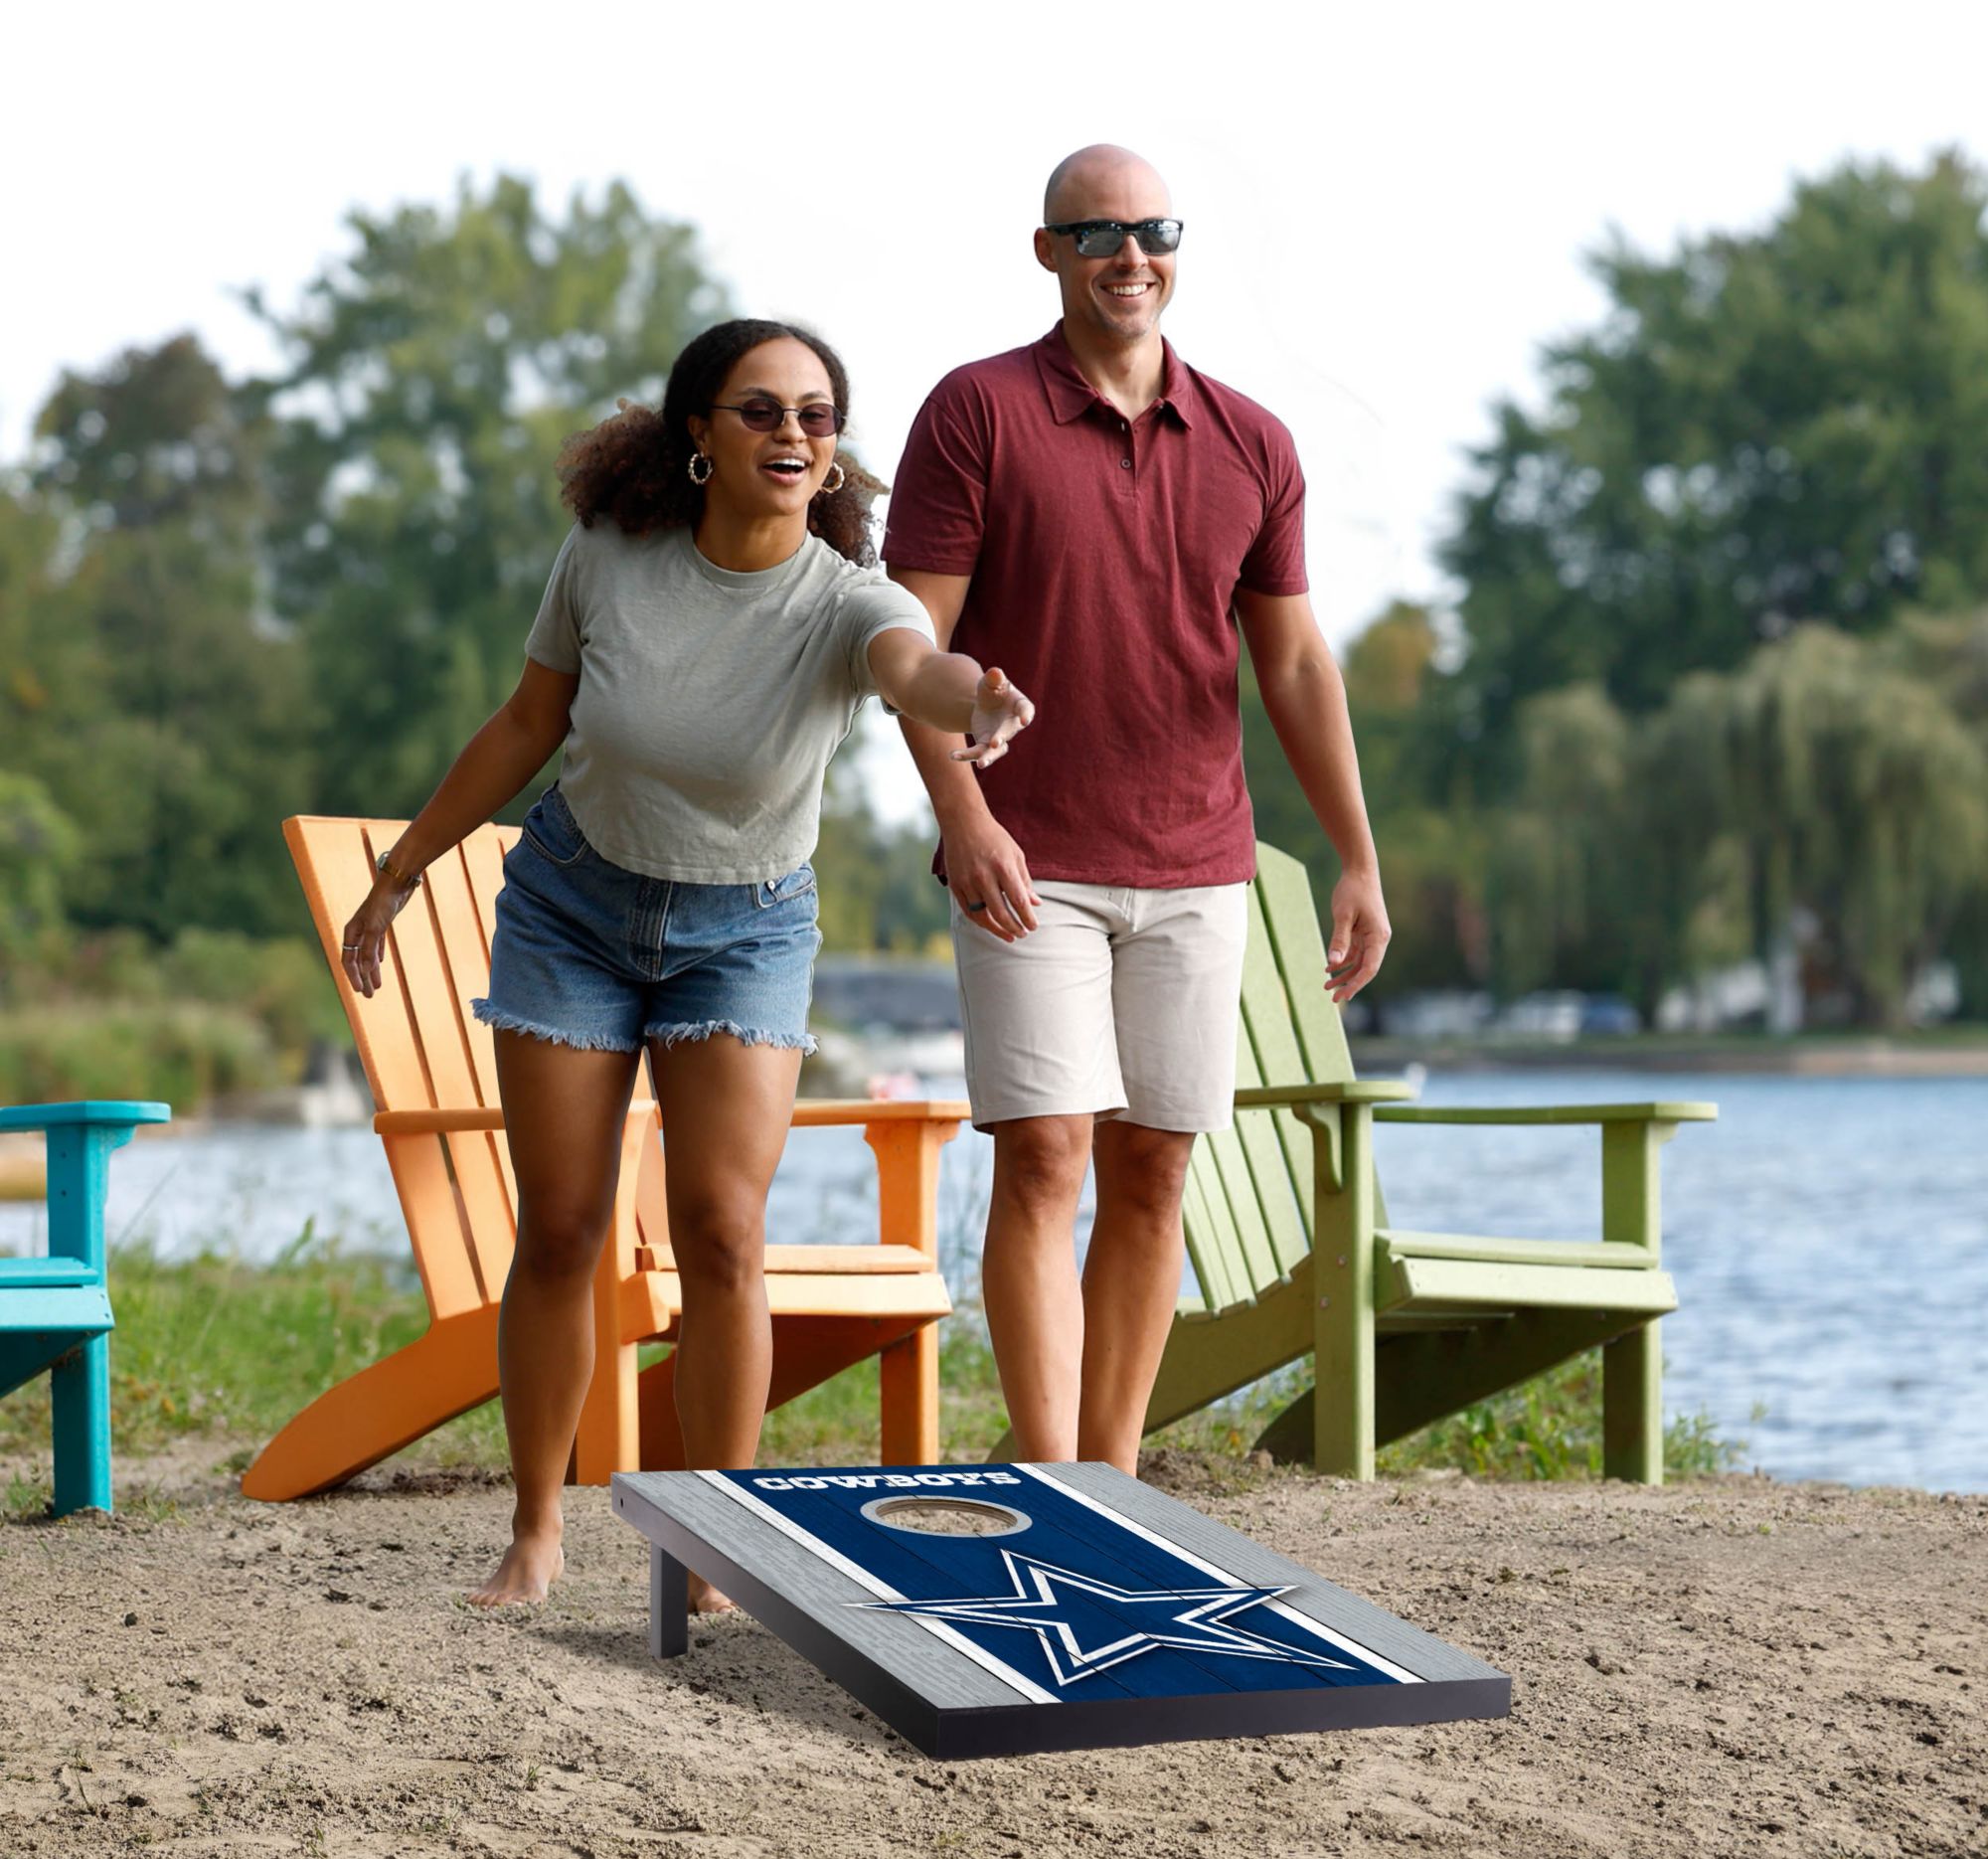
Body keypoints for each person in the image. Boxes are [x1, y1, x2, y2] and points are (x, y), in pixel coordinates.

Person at [339, 318, 1035, 1609]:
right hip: (572, 911)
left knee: (723, 1232)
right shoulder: (609, 558)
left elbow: (914, 671)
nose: (792, 435)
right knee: (561, 1227)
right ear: (700, 437)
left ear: (833, 456)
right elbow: (528, 723)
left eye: (816, 417)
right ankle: (538, 1531)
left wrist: (974, 702)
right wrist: (406, 867)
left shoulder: (848, 599)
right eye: (761, 411)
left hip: (747, 931)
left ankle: (720, 1549)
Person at [882, 145, 1389, 1472]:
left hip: (1197, 862)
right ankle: (1049, 1475)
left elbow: (1294, 662)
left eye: (1151, 229)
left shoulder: (1251, 441)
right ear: (1046, 251)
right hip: (1026, 860)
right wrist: (962, 817)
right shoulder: (974, 414)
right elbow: (903, 648)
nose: (1129, 254)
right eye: (1096, 232)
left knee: (1154, 1168)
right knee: (1047, 1155)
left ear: (1177, 246)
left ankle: (1108, 1472)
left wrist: (1355, 857)